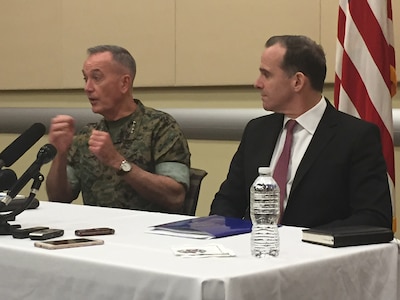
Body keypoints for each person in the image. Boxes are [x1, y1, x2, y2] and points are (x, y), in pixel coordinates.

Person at [210, 35, 392, 229]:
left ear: (297, 82)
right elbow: (227, 201)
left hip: (320, 255)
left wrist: (304, 242)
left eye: (267, 75)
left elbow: (373, 217)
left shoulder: (355, 137)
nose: (258, 83)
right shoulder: (256, 131)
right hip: (256, 250)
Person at [46, 45, 191, 213]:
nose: (88, 88)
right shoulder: (86, 135)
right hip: (94, 233)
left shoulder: (160, 126)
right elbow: (58, 198)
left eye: (97, 78)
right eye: (85, 79)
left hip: (146, 234)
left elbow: (175, 197)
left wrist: (117, 161)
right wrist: (60, 154)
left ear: (124, 83)